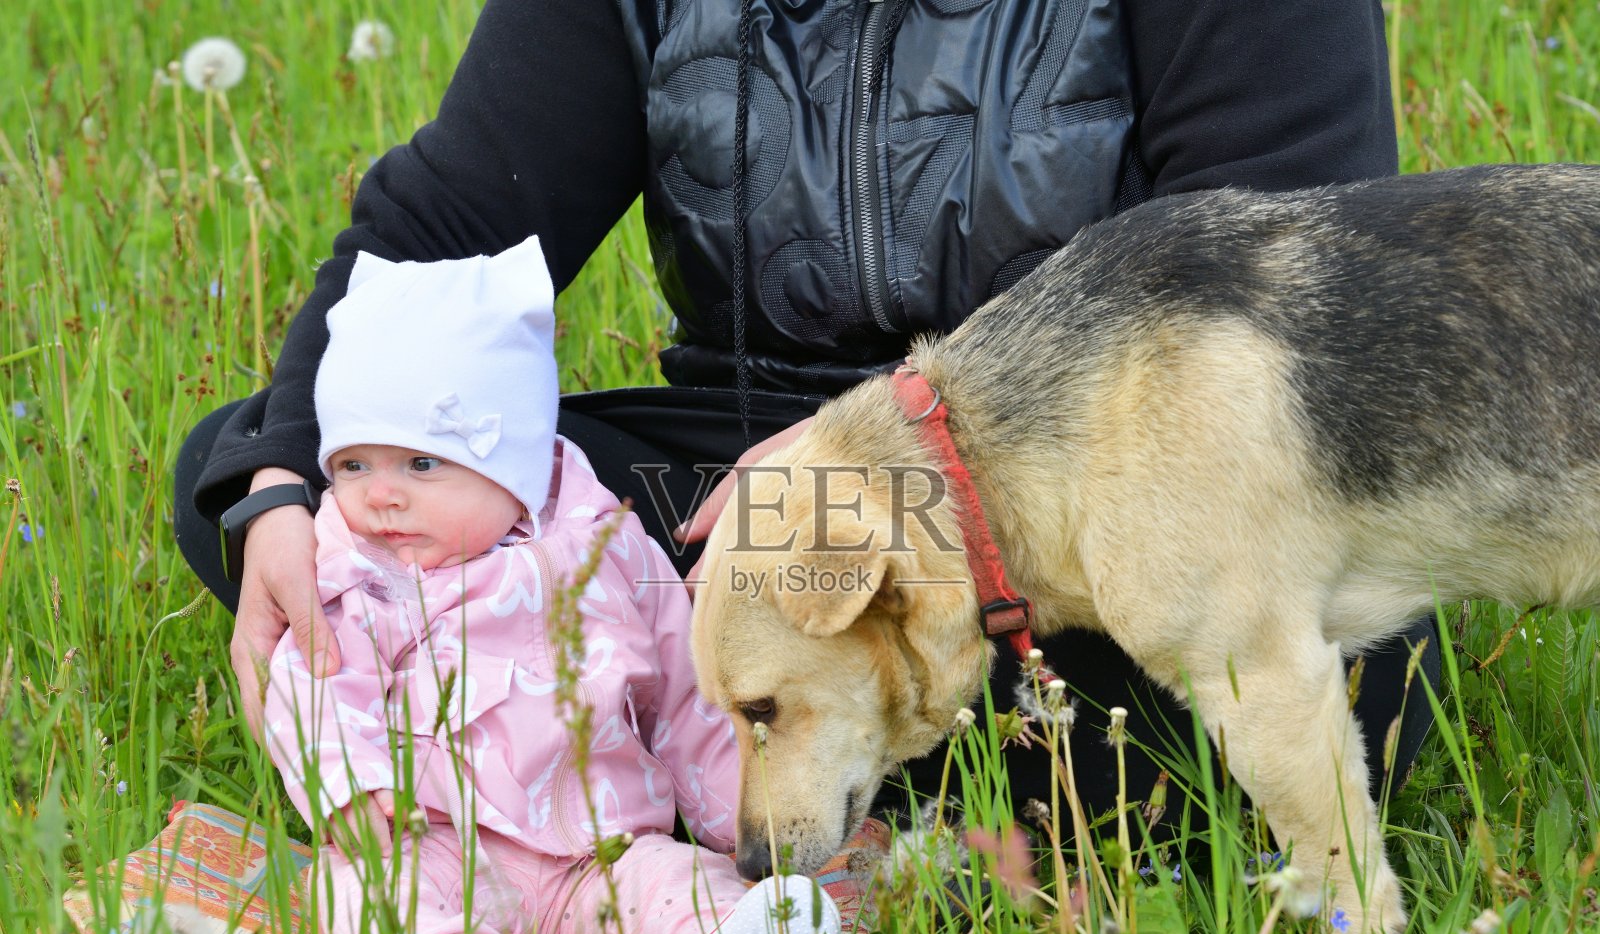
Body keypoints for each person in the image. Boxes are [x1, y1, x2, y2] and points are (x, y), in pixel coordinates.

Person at [176, 0, 1437, 868]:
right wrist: (286, 477)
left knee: (1333, 665)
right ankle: (825, 752)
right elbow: (448, 223)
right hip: (738, 472)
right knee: (288, 487)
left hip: (1093, 502)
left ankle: (596, 761)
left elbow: (1282, 274)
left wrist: (889, 435)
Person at [261, 234, 839, 934]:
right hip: (443, 848)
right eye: (352, 464)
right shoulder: (357, 567)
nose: (380, 496)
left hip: (600, 854)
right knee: (368, 889)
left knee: (669, 883)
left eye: (421, 463)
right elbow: (313, 681)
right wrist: (353, 789)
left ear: (518, 465)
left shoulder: (606, 542)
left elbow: (682, 686)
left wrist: (746, 813)